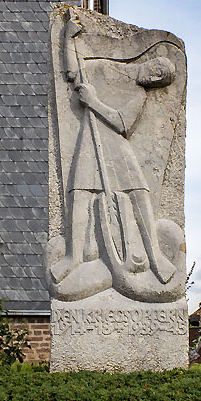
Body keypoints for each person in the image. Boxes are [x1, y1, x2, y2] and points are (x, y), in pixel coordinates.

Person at [50, 54, 177, 286]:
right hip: (90, 140)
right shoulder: (105, 67)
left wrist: (92, 102)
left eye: (160, 78)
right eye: (157, 68)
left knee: (139, 192)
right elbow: (71, 72)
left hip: (118, 148)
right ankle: (73, 257)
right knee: (80, 194)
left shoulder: (139, 94)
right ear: (152, 63)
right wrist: (68, 35)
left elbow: (122, 123)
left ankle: (155, 256)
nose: (155, 76)